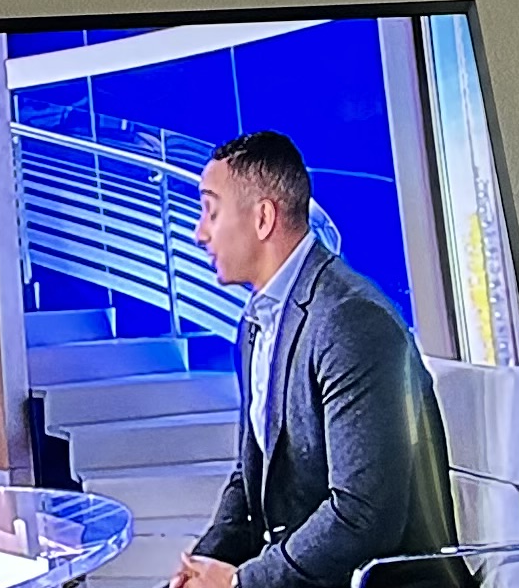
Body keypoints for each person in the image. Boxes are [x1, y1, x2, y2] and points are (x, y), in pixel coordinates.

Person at [169, 131, 460, 588]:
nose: (199, 232)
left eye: (211, 210)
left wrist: (240, 583)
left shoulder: (350, 320)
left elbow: (361, 516)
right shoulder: (256, 325)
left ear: (263, 218)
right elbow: (250, 480)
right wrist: (201, 567)